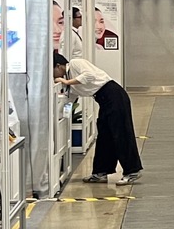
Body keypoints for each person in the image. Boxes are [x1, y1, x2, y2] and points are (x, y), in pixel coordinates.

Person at [53, 52, 144, 184]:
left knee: (121, 133)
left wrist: (67, 81)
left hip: (114, 96)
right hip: (103, 100)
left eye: (53, 72)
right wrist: (60, 116)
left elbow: (89, 76)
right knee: (104, 135)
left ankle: (132, 171)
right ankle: (101, 172)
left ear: (58, 66)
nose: (54, 76)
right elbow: (69, 100)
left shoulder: (74, 64)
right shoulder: (69, 82)